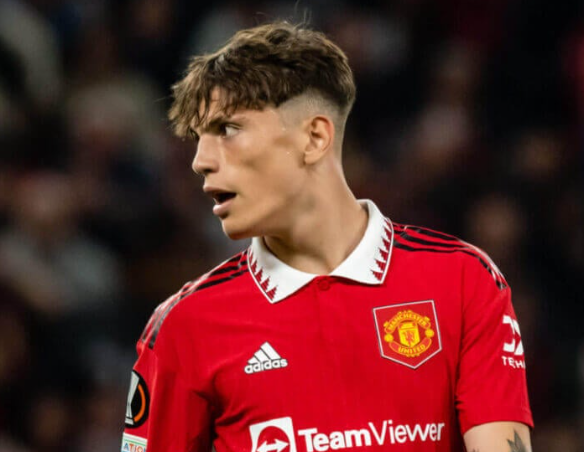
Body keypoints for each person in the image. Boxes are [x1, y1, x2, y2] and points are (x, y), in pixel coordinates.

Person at [121, 21, 533, 452]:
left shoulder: (463, 281)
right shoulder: (184, 327)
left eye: (227, 130)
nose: (201, 161)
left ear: (315, 137)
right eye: (198, 138)